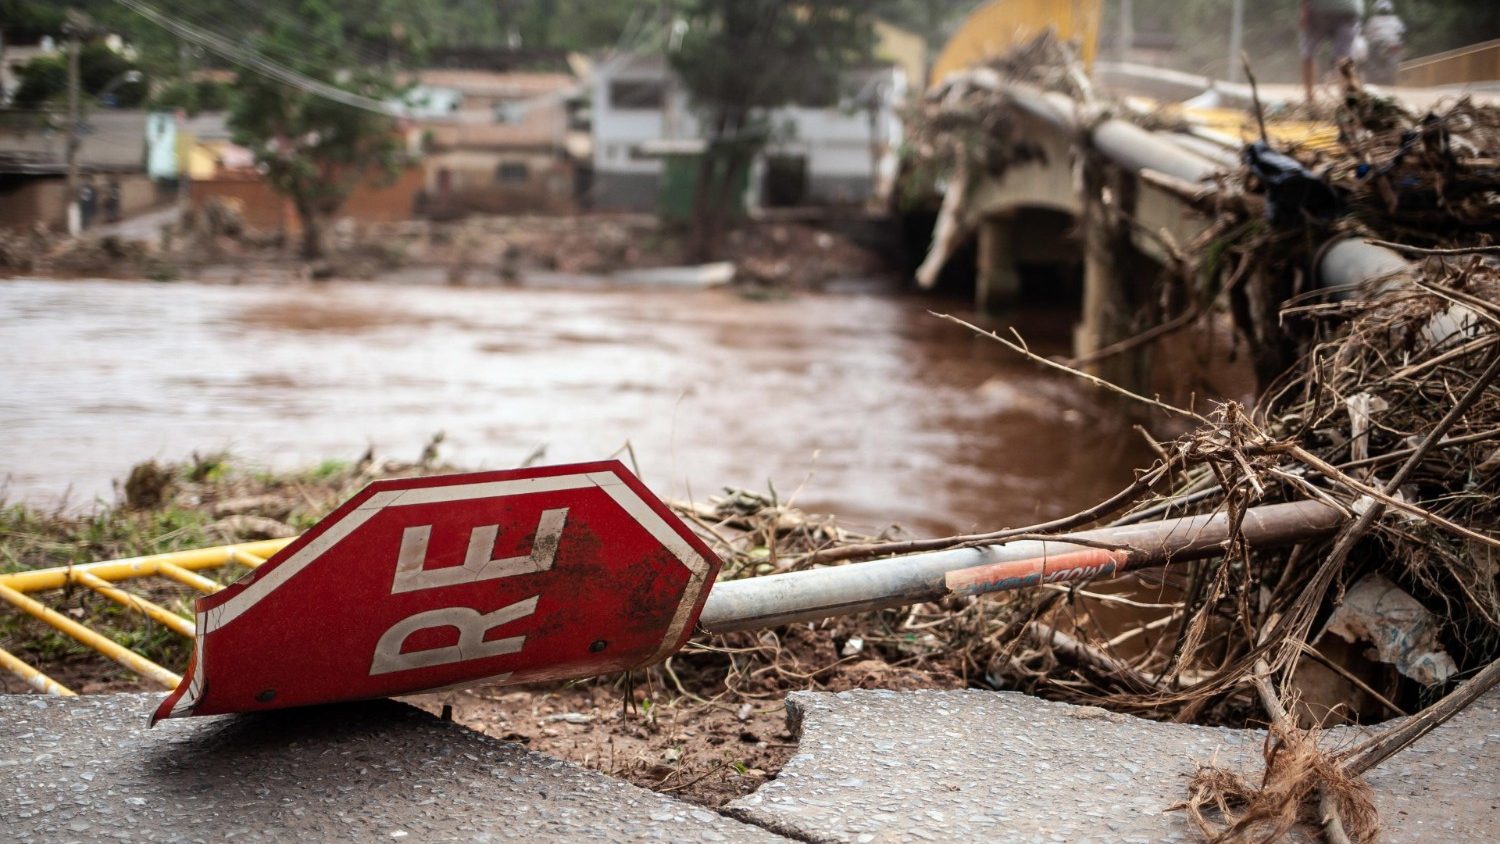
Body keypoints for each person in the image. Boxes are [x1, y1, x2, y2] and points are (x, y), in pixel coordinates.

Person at [1301, 0, 1364, 101]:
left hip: (1320, 8)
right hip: (1348, 8)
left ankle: (1310, 99)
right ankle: (1347, 100)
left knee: (1309, 51)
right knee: (1343, 55)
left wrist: (1304, 10)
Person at [1364, 0, 1406, 86]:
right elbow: (1402, 32)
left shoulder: (1372, 20)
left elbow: (1367, 35)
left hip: (1377, 45)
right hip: (1393, 44)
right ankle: (1399, 76)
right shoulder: (1396, 19)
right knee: (1398, 57)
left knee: (1368, 58)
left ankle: (1371, 79)